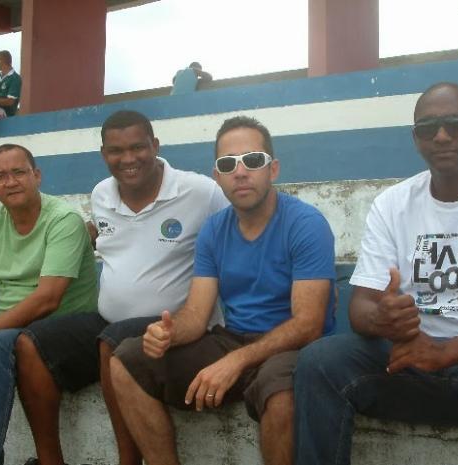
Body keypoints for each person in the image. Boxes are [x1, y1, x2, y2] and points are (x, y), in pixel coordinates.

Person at [294, 82, 458, 465]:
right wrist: (383, 318)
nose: (441, 135)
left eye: (456, 124)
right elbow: (361, 309)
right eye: (427, 128)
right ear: (416, 138)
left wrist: (445, 352)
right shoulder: (393, 204)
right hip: (412, 363)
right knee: (321, 361)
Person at [110, 115, 336, 465]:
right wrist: (167, 334)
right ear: (218, 177)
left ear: (272, 169)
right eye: (228, 164)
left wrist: (237, 360)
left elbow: (308, 324)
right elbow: (197, 316)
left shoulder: (306, 224)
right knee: (126, 360)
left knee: (282, 398)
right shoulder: (215, 229)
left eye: (253, 161)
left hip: (292, 348)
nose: (241, 172)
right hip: (233, 339)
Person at [14, 110, 228, 465]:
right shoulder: (101, 194)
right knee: (30, 343)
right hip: (107, 321)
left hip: (174, 326)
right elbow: (109, 235)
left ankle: (127, 461)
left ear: (155, 146)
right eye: (116, 151)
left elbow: (237, 229)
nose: (128, 159)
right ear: (103, 154)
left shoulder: (200, 191)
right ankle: (50, 460)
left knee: (111, 343)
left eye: (138, 148)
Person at [0, 143, 98, 465]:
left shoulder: (63, 219)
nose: (11, 181)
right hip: (6, 324)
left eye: (19, 172)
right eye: (0, 176)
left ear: (36, 175)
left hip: (59, 330)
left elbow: (47, 300)